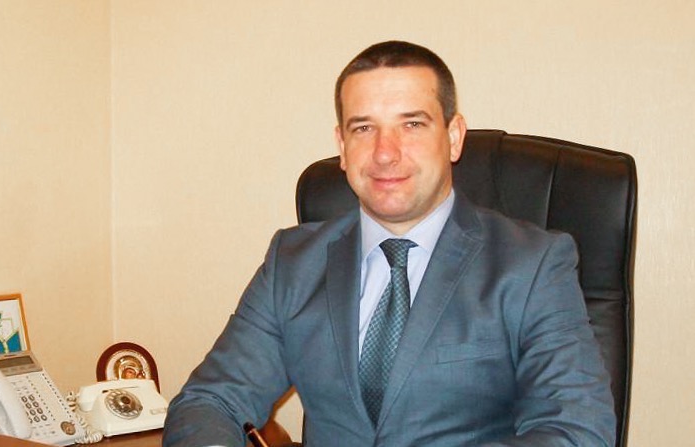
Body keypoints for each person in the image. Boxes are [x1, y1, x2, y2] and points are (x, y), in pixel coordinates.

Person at [163, 41, 615, 447]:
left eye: (412, 124)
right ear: (342, 146)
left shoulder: (531, 264)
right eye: (363, 128)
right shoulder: (293, 262)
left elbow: (576, 431)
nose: (385, 152)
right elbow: (209, 401)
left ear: (453, 137)